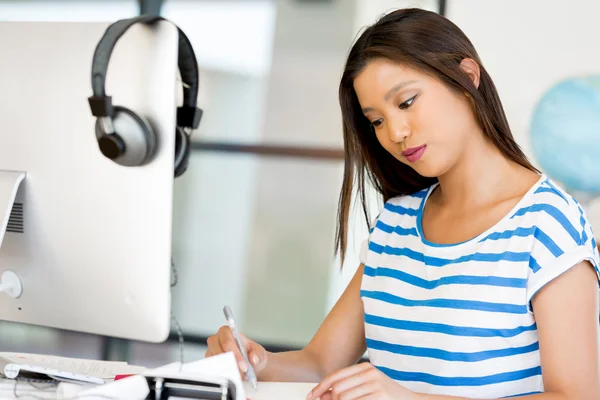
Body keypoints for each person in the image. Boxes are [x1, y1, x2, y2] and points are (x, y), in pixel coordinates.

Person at [205, 8, 600, 399]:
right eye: (376, 120)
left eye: (406, 102)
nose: (396, 132)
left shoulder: (547, 222)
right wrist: (255, 362)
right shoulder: (396, 222)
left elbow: (576, 396)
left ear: (467, 77)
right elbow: (321, 364)